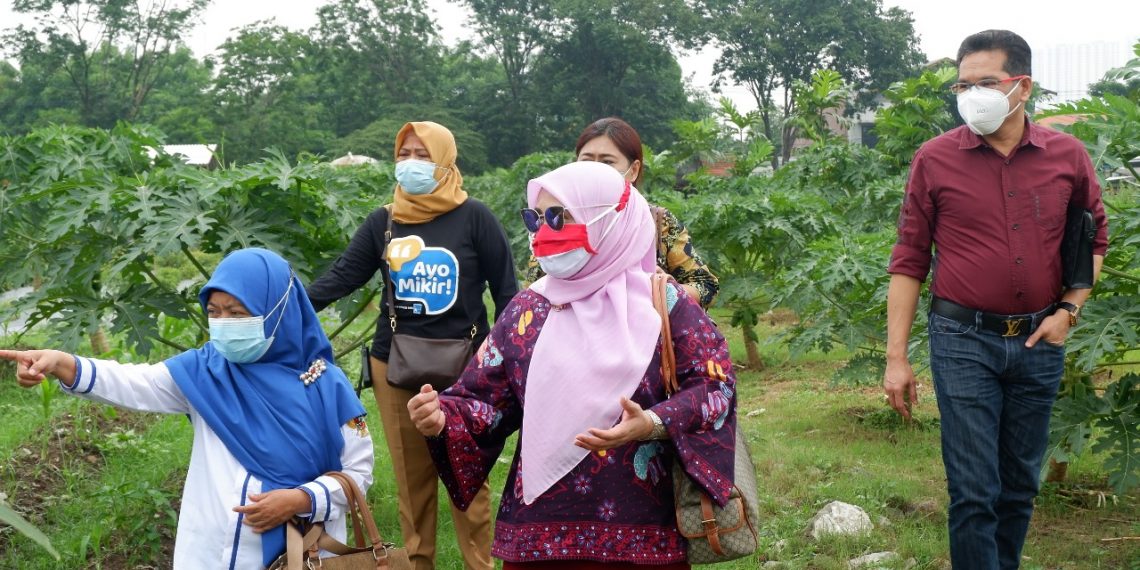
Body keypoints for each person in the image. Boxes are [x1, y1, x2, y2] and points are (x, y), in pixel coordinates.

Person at [408, 161, 739, 568]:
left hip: (643, 532)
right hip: (537, 535)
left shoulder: (665, 304)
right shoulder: (528, 309)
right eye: (536, 218)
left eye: (558, 217)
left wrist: (652, 422)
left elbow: (714, 387)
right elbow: (485, 401)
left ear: (611, 220)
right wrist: (443, 417)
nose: (544, 232)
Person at [883, 30, 1109, 570]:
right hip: (963, 340)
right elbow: (910, 259)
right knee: (973, 491)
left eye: (986, 82)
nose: (971, 95)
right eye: (963, 85)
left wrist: (1069, 311)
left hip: (1038, 339)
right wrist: (896, 357)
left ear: (1022, 86)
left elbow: (1092, 238)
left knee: (1018, 486)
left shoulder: (1067, 156)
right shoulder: (935, 159)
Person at [0, 248, 373, 569]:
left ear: (277, 311)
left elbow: (359, 473)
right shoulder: (205, 373)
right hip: (209, 552)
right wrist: (62, 362)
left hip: (302, 554)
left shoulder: (326, 386)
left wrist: (302, 499)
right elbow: (134, 382)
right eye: (215, 312)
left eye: (238, 313)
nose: (223, 325)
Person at [307, 121, 516, 570]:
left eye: (423, 154)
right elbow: (343, 277)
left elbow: (507, 294)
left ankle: (479, 564)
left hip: (467, 369)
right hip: (395, 365)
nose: (411, 163)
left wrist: (502, 361)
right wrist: (279, 302)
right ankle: (418, 563)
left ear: (445, 160)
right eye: (405, 154)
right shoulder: (384, 221)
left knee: (469, 474)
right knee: (411, 477)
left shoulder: (475, 216)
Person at [524, 117, 719, 309]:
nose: (595, 171)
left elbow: (705, 286)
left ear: (633, 170)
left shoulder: (657, 222)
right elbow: (533, 290)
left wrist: (660, 291)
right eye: (586, 161)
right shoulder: (557, 220)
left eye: (607, 162)